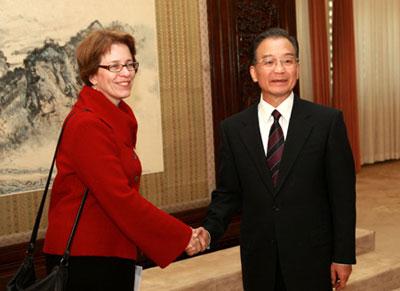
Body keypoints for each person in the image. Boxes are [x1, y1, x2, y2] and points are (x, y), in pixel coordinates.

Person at [193, 28, 356, 290]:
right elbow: (228, 193)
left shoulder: (327, 122)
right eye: (269, 62)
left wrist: (343, 255)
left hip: (312, 257)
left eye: (288, 60)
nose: (279, 70)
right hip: (259, 259)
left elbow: (343, 196)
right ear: (254, 72)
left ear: (298, 69)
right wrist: (209, 230)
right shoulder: (234, 129)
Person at [43, 29, 201, 291]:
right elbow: (119, 197)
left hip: (110, 251)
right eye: (114, 66)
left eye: (129, 64)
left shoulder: (117, 116)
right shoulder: (87, 124)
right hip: (87, 259)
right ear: (92, 75)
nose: (126, 73)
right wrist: (182, 236)